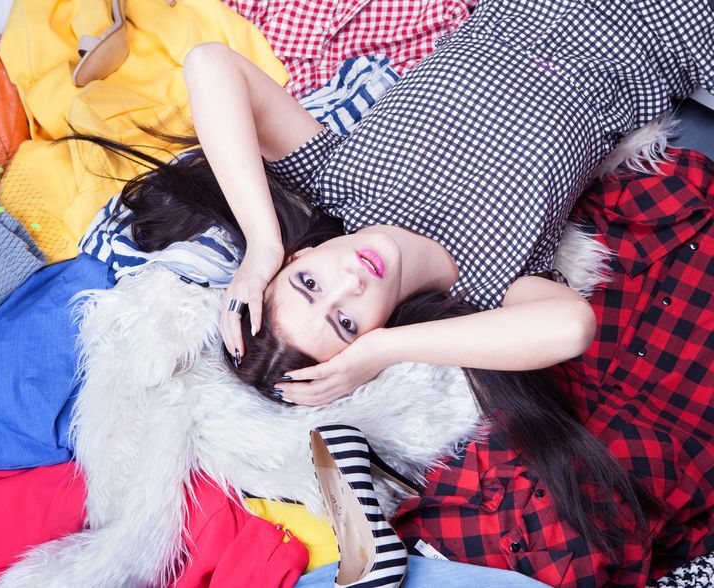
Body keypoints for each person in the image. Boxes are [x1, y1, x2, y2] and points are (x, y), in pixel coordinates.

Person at [68, 0, 711, 562]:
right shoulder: (487, 289)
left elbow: (210, 62)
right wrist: (383, 351)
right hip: (672, 28)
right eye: (347, 323)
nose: (348, 282)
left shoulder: (335, 181)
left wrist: (260, 245)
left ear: (297, 260)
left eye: (309, 286)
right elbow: (572, 325)